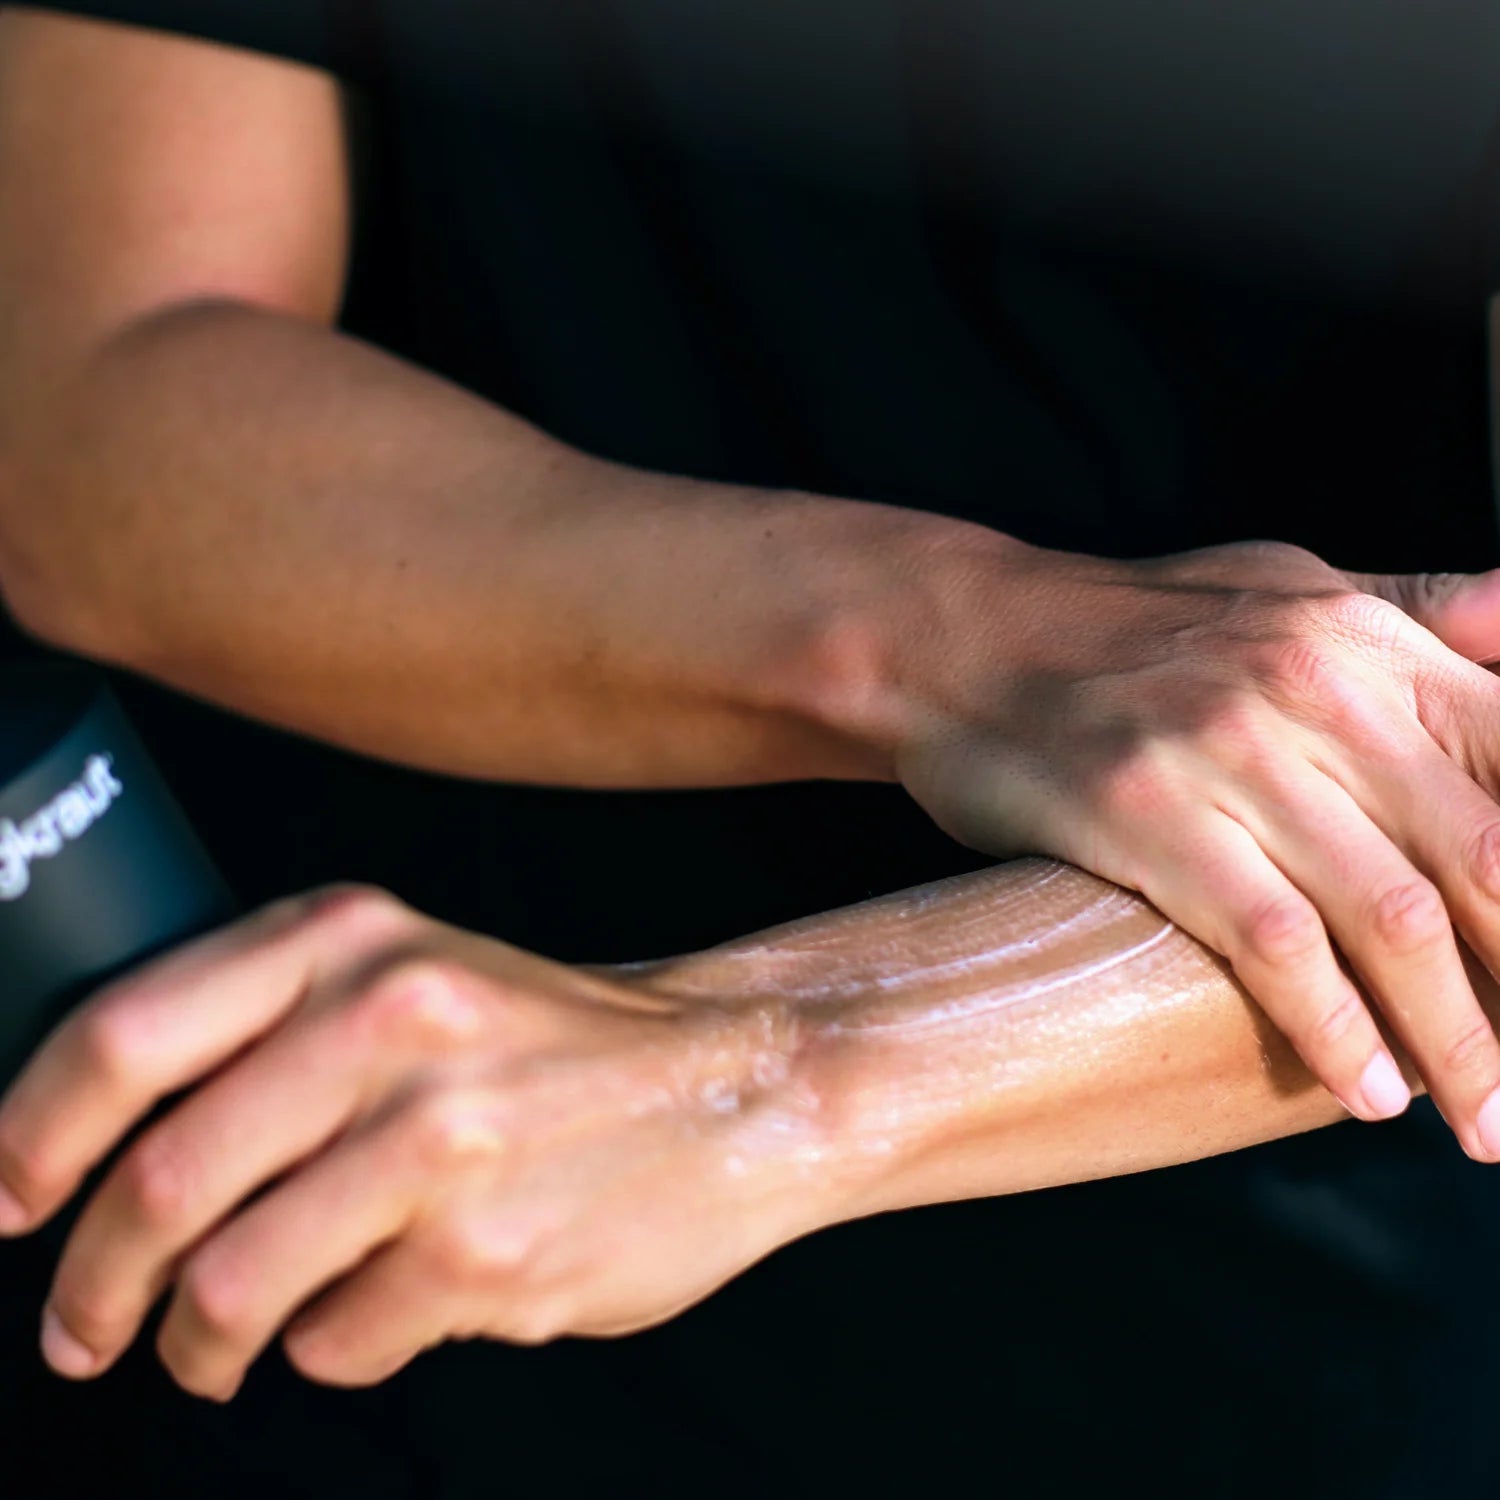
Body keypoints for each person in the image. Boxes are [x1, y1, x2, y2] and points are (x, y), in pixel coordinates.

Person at [2, 3, 1500, 1495]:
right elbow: (96, 405)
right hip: (344, 1159)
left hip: (1217, 1339)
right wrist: (951, 643)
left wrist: (759, 1073)